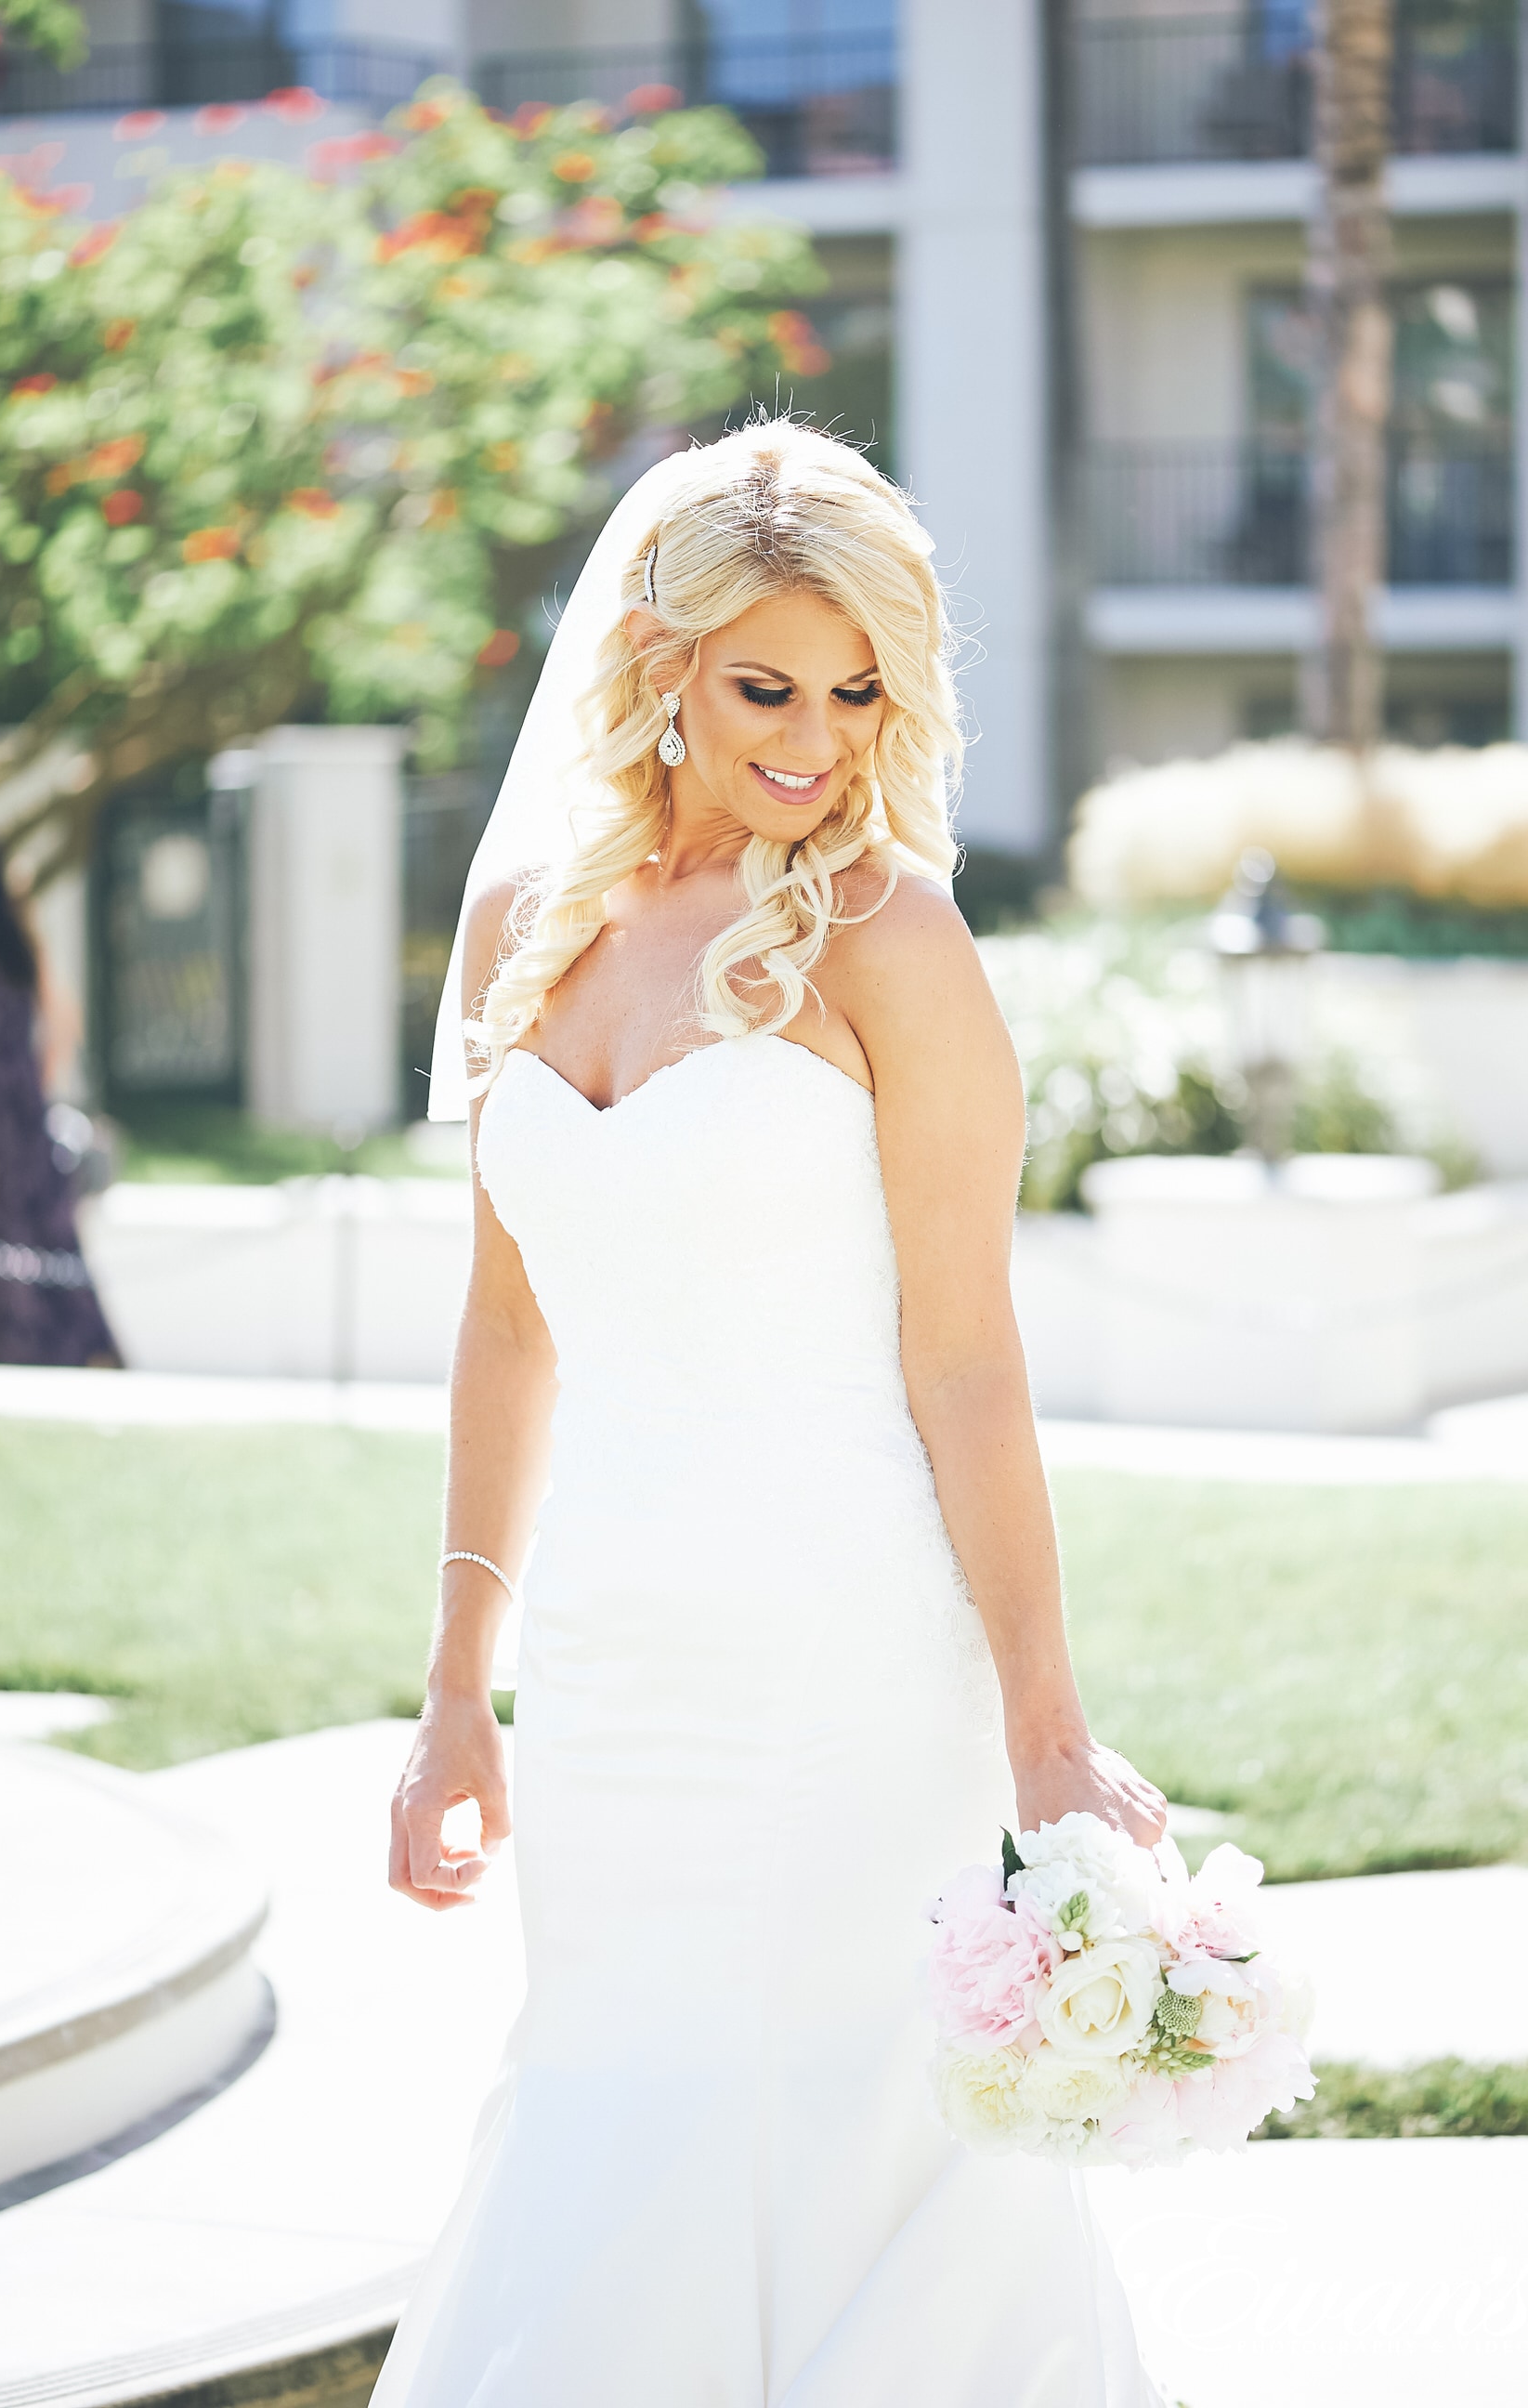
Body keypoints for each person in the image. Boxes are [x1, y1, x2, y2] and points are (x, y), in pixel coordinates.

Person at [378, 423, 1167, 2405]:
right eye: (763, 686)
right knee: (603, 2092)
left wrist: (1043, 1728)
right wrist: (456, 1683)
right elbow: (504, 1325)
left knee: (842, 2128)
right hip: (611, 1661)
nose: (814, 736)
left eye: (854, 688)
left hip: (846, 1654)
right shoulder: (523, 929)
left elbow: (968, 1364)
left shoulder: (893, 942)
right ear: (656, 663)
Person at [0, 843, 119, 1368]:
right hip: (24, 1113)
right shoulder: (20, 942)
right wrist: (30, 1080)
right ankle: (83, 1356)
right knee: (46, 1241)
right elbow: (64, 1024)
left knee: (6, 1248)